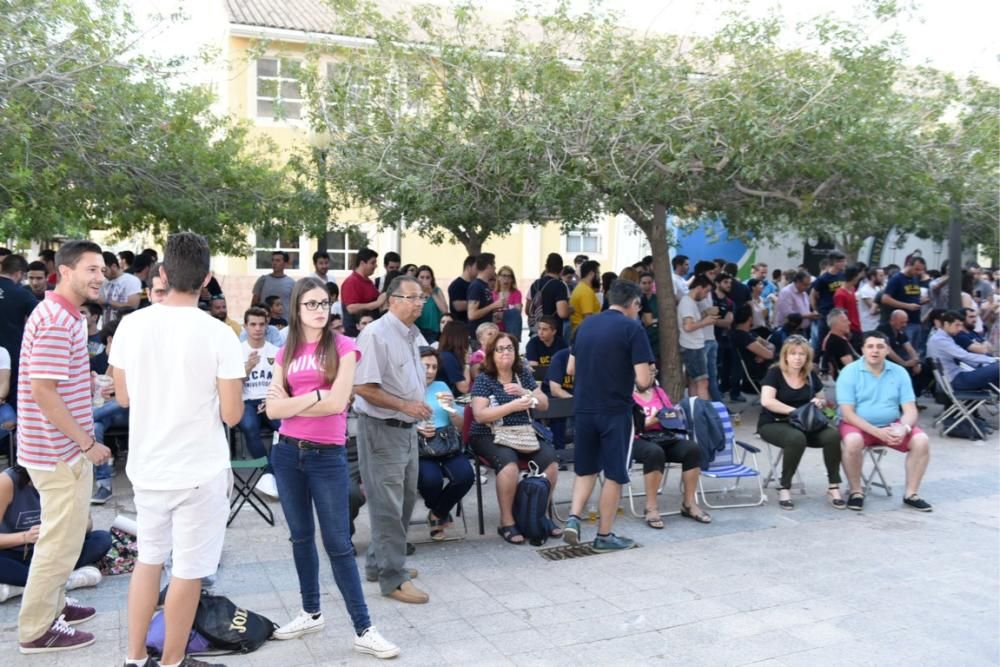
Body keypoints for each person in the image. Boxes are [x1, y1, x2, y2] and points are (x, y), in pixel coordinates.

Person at [111, 232, 245, 667]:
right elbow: (232, 414)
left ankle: (134, 659)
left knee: (148, 561)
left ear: (163, 274)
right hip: (200, 471)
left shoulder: (133, 325)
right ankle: (170, 661)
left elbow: (124, 397)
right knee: (188, 570)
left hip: (149, 466)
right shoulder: (219, 333)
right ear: (207, 279)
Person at [261, 277, 399, 658]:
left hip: (326, 456)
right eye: (311, 304)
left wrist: (302, 399)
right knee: (300, 537)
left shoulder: (344, 346)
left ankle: (364, 627)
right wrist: (316, 394)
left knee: (338, 544)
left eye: (324, 303)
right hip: (287, 454)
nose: (320, 310)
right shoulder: (285, 351)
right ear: (297, 309)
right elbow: (272, 411)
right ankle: (310, 611)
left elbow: (337, 404)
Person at [16, 240, 112, 654]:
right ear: (66, 272)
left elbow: (56, 378)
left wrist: (92, 383)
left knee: (68, 537)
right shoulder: (58, 319)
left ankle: (52, 603)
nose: (100, 276)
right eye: (91, 269)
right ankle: (37, 629)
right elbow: (43, 391)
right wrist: (87, 443)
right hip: (58, 451)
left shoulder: (64, 315)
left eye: (103, 269)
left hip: (54, 448)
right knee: (59, 540)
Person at [353, 276, 431, 604]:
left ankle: (379, 562)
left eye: (422, 298)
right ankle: (393, 578)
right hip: (383, 429)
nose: (419, 303)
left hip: (407, 429)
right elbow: (363, 387)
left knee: (405, 500)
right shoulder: (375, 335)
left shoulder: (411, 334)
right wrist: (405, 405)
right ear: (392, 300)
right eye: (412, 297)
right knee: (388, 506)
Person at [562, 280, 653, 551]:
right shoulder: (633, 329)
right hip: (615, 412)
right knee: (614, 474)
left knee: (585, 469)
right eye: (638, 306)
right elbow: (643, 381)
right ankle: (604, 536)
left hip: (584, 409)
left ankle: (573, 518)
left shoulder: (584, 326)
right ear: (634, 304)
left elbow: (570, 368)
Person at [470, 333, 560, 544]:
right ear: (491, 354)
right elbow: (480, 415)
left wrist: (524, 392)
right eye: (500, 349)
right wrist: (512, 406)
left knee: (551, 464)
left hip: (523, 433)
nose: (506, 353)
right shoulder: (484, 379)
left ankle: (540, 517)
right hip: (489, 434)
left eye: (509, 348)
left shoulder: (523, 375)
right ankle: (507, 521)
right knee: (509, 465)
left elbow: (544, 403)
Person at [837, 331, 933, 512]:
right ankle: (856, 492)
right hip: (857, 424)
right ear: (862, 350)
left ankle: (911, 494)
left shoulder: (899, 372)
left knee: (922, 441)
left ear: (888, 350)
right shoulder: (849, 372)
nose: (875, 351)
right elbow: (847, 414)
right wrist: (876, 431)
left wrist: (904, 428)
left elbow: (910, 409)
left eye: (880, 347)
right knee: (852, 441)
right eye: (870, 346)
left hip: (891, 424)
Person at [0, 465, 110, 603]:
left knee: (101, 539)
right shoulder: (7, 481)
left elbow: (88, 523)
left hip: (53, 552)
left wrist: (68, 529)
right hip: (15, 553)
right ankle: (63, 581)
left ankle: (25, 586)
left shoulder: (67, 478)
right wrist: (25, 537)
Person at [757, 336, 845, 510]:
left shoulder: (810, 375)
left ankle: (833, 486)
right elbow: (767, 401)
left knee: (833, 435)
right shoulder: (774, 373)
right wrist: (795, 411)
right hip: (774, 423)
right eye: (793, 353)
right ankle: (785, 487)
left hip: (806, 424)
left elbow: (822, 398)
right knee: (796, 438)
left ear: (807, 357)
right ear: (785, 356)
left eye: (802, 354)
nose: (797, 358)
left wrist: (819, 402)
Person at [631, 365, 710, 528]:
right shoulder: (625, 395)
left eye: (654, 372)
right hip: (636, 439)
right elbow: (625, 426)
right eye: (648, 372)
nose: (651, 375)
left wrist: (671, 417)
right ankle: (651, 507)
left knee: (691, 449)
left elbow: (671, 414)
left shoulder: (659, 393)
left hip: (662, 436)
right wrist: (649, 422)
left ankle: (689, 503)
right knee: (654, 452)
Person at [415, 347, 474, 541]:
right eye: (426, 366)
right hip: (421, 446)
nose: (430, 370)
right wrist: (417, 429)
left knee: (465, 475)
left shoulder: (441, 386)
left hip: (446, 442)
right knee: (431, 480)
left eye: (434, 366)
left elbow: (459, 425)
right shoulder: (406, 388)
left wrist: (451, 410)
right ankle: (441, 513)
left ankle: (437, 514)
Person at [238, 306, 281, 498]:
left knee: (284, 428)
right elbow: (231, 387)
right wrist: (247, 368)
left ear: (267, 326)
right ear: (245, 326)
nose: (257, 328)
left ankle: (270, 474)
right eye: (253, 324)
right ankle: (268, 473)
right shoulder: (236, 352)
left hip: (270, 399)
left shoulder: (276, 352)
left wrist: (271, 399)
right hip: (247, 400)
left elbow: (283, 383)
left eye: (261, 324)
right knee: (249, 426)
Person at [90, 318, 129, 505]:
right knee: (95, 426)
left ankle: (79, 421)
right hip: (112, 411)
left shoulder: (137, 358)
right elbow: (104, 391)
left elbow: (130, 397)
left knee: (119, 404)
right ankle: (104, 485)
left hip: (133, 411)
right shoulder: (113, 361)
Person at [926, 311, 999, 392]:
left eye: (961, 325)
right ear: (946, 324)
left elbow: (964, 358)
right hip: (956, 380)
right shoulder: (940, 340)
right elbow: (965, 356)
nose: (960, 329)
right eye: (957, 325)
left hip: (958, 377)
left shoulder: (943, 338)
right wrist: (994, 360)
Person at [0, 254, 36, 412]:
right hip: (12, 352)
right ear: (19, 273)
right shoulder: (22, 294)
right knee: (12, 400)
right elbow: (42, 317)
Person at [678, 275, 717, 400]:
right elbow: (688, 326)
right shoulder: (687, 302)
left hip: (693, 346)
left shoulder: (689, 302)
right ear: (699, 287)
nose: (706, 296)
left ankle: (696, 413)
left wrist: (705, 314)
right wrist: (706, 322)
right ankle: (704, 413)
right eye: (706, 291)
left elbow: (691, 321)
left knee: (694, 382)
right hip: (692, 347)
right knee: (702, 382)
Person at [880, 256, 927, 350]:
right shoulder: (896, 279)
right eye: (916, 269)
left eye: (921, 270)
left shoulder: (915, 278)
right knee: (905, 351)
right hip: (904, 323)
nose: (918, 273)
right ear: (909, 265)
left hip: (916, 320)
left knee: (915, 350)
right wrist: (907, 306)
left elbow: (911, 296)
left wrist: (921, 301)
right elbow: (885, 299)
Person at [878, 310, 929, 396]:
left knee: (925, 369)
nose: (904, 325)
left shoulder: (900, 331)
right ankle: (904, 400)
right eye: (902, 322)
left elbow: (909, 348)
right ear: (892, 320)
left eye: (906, 322)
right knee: (904, 371)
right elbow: (888, 351)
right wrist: (904, 363)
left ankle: (914, 397)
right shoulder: (883, 329)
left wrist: (916, 362)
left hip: (898, 362)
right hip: (885, 362)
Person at [341, 249, 387, 337]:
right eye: (372, 263)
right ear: (362, 263)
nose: (375, 266)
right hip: (356, 333)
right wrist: (376, 303)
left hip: (370, 331)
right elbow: (351, 308)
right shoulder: (351, 282)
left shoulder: (368, 281)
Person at [730, 304, 775, 389]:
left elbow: (770, 345)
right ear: (750, 319)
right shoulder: (742, 336)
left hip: (764, 366)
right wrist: (765, 353)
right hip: (757, 371)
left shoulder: (750, 333)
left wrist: (763, 354)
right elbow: (769, 355)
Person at [528, 253, 572, 335]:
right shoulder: (560, 285)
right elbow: (562, 313)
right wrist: (571, 309)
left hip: (536, 331)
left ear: (546, 267)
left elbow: (528, 310)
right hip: (552, 334)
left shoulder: (535, 284)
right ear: (561, 270)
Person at [97, 251, 143, 325]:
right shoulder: (103, 282)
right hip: (106, 326)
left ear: (114, 267)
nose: (103, 274)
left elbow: (132, 306)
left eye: (104, 270)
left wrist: (107, 301)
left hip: (124, 326)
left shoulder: (131, 280)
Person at [466, 253, 504, 337]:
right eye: (493, 264)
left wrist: (494, 313)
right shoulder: (476, 286)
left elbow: (483, 309)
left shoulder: (484, 285)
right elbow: (472, 315)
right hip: (478, 337)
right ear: (488, 266)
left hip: (486, 334)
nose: (495, 267)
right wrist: (493, 306)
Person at [252, 250, 296, 317]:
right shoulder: (263, 280)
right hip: (264, 322)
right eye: (273, 260)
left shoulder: (292, 283)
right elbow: (255, 301)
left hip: (284, 323)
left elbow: (294, 305)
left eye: (278, 261)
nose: (274, 263)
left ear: (285, 264)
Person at [414, 265, 448, 343]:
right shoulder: (414, 292)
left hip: (434, 331)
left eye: (427, 277)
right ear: (417, 278)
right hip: (418, 330)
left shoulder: (437, 291)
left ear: (431, 279)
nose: (424, 280)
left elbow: (445, 310)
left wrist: (431, 292)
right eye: (422, 277)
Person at [436, 321, 472, 394]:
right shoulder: (448, 357)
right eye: (466, 336)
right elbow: (464, 388)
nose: (468, 339)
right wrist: (467, 364)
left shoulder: (446, 355)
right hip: (443, 399)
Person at [821, 309, 858, 379]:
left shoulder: (833, 338)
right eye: (845, 321)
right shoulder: (838, 342)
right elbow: (851, 367)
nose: (849, 323)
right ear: (837, 325)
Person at [569, 260, 601, 334]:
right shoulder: (586, 292)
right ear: (591, 274)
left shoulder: (581, 288)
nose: (599, 277)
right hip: (585, 333)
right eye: (598, 273)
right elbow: (588, 319)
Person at [832, 263, 864, 335]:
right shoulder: (840, 294)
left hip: (856, 327)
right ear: (854, 277)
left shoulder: (853, 289)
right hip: (849, 330)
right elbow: (839, 314)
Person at [447, 255, 477, 324]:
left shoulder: (475, 284)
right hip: (460, 326)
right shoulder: (456, 285)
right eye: (476, 268)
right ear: (468, 267)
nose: (478, 271)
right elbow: (458, 306)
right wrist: (480, 302)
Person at [494, 265, 523, 335]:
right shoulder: (492, 293)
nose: (506, 279)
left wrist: (501, 314)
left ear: (512, 279)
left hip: (511, 330)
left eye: (509, 276)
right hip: (496, 329)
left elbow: (517, 310)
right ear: (498, 278)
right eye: (504, 276)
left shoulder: (516, 293)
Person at [856, 267, 884, 332]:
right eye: (881, 276)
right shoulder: (865, 290)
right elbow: (873, 309)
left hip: (877, 324)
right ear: (873, 277)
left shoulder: (878, 289)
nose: (883, 278)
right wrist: (885, 308)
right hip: (868, 326)